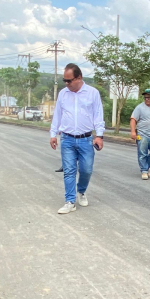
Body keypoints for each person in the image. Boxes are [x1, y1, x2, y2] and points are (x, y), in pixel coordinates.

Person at [50, 63, 105, 214]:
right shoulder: (63, 94)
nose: (67, 84)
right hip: (67, 139)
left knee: (86, 170)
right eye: (64, 81)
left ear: (79, 77)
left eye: (69, 81)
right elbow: (57, 115)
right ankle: (70, 201)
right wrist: (53, 134)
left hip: (86, 139)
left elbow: (98, 115)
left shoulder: (92, 93)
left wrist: (99, 136)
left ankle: (81, 191)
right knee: (69, 171)